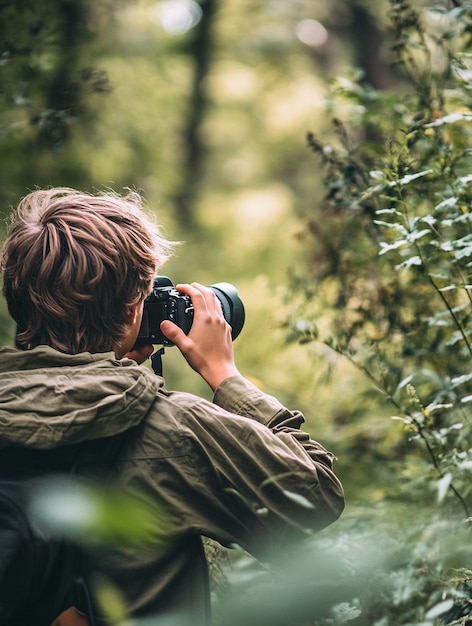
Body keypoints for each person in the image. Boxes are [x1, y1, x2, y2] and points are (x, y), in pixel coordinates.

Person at [0, 187, 344, 625]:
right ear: (131, 315)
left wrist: (110, 363)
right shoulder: (172, 428)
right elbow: (315, 494)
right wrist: (226, 377)